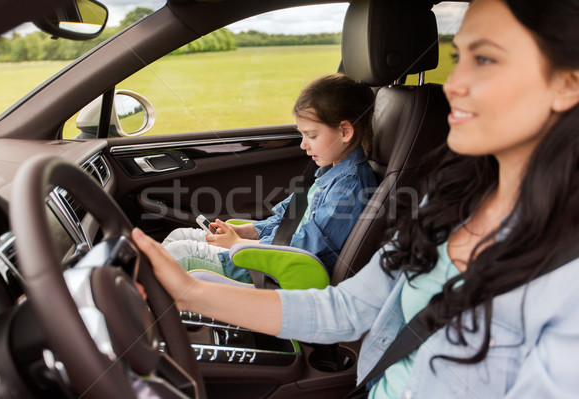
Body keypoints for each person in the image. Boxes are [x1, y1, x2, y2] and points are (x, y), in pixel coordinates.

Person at [132, 0, 579, 396]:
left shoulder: (566, 278)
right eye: (458, 57)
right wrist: (189, 292)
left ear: (567, 83)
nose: (454, 83)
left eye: (485, 59)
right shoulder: (449, 202)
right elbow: (347, 309)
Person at [162, 73, 377, 284]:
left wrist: (239, 244)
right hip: (274, 254)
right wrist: (247, 231)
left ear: (345, 132)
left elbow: (305, 246)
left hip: (281, 271)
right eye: (302, 135)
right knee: (179, 235)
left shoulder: (350, 185)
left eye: (311, 136)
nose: (303, 144)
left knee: (180, 254)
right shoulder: (327, 172)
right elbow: (286, 220)